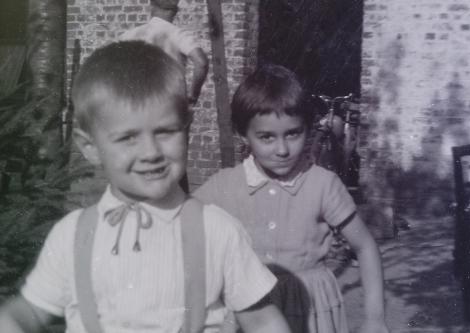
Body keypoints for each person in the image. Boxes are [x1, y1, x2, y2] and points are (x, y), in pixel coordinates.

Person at [0, 41, 290, 333]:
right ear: (89, 147)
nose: (151, 152)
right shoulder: (71, 236)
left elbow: (263, 322)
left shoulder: (217, 231)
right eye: (127, 138)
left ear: (185, 127)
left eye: (165, 132)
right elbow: (28, 313)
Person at [194, 64, 389, 333]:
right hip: (250, 316)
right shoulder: (224, 186)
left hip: (311, 312)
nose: (282, 149)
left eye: (293, 134)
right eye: (266, 137)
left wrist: (375, 319)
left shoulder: (323, 184)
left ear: (308, 129)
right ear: (243, 135)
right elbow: (177, 226)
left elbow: (365, 247)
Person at [119, 0, 209, 105]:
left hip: (135, 101)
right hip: (170, 102)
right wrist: (194, 95)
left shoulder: (128, 35)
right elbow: (201, 63)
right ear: (175, 12)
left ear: (151, 7)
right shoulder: (178, 34)